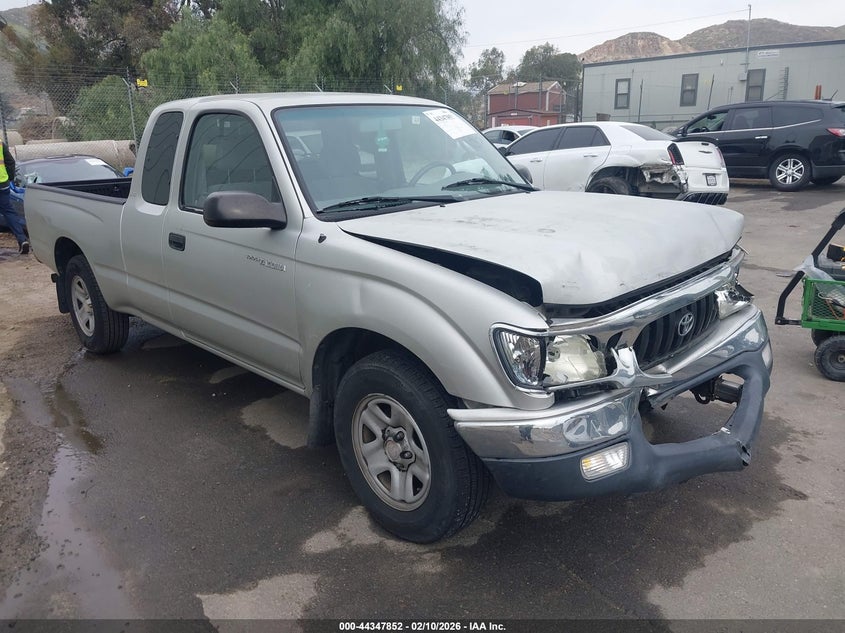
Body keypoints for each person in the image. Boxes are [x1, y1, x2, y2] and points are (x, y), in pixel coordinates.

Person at [0, 138, 28, 254]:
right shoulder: (0, 142)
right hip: (2, 183)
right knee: (9, 212)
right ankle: (22, 239)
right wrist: (10, 178)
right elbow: (10, 162)